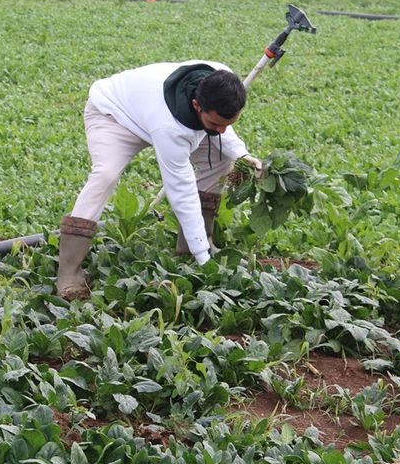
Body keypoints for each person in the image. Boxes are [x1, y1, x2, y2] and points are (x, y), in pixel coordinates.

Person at [57, 60, 263, 300]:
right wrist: (205, 260)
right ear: (196, 105)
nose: (222, 131)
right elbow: (181, 190)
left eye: (229, 124)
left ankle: (192, 246)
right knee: (105, 174)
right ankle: (68, 273)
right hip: (114, 115)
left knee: (219, 156)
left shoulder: (221, 80)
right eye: (216, 124)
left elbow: (224, 132)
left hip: (149, 112)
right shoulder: (170, 127)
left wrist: (242, 155)